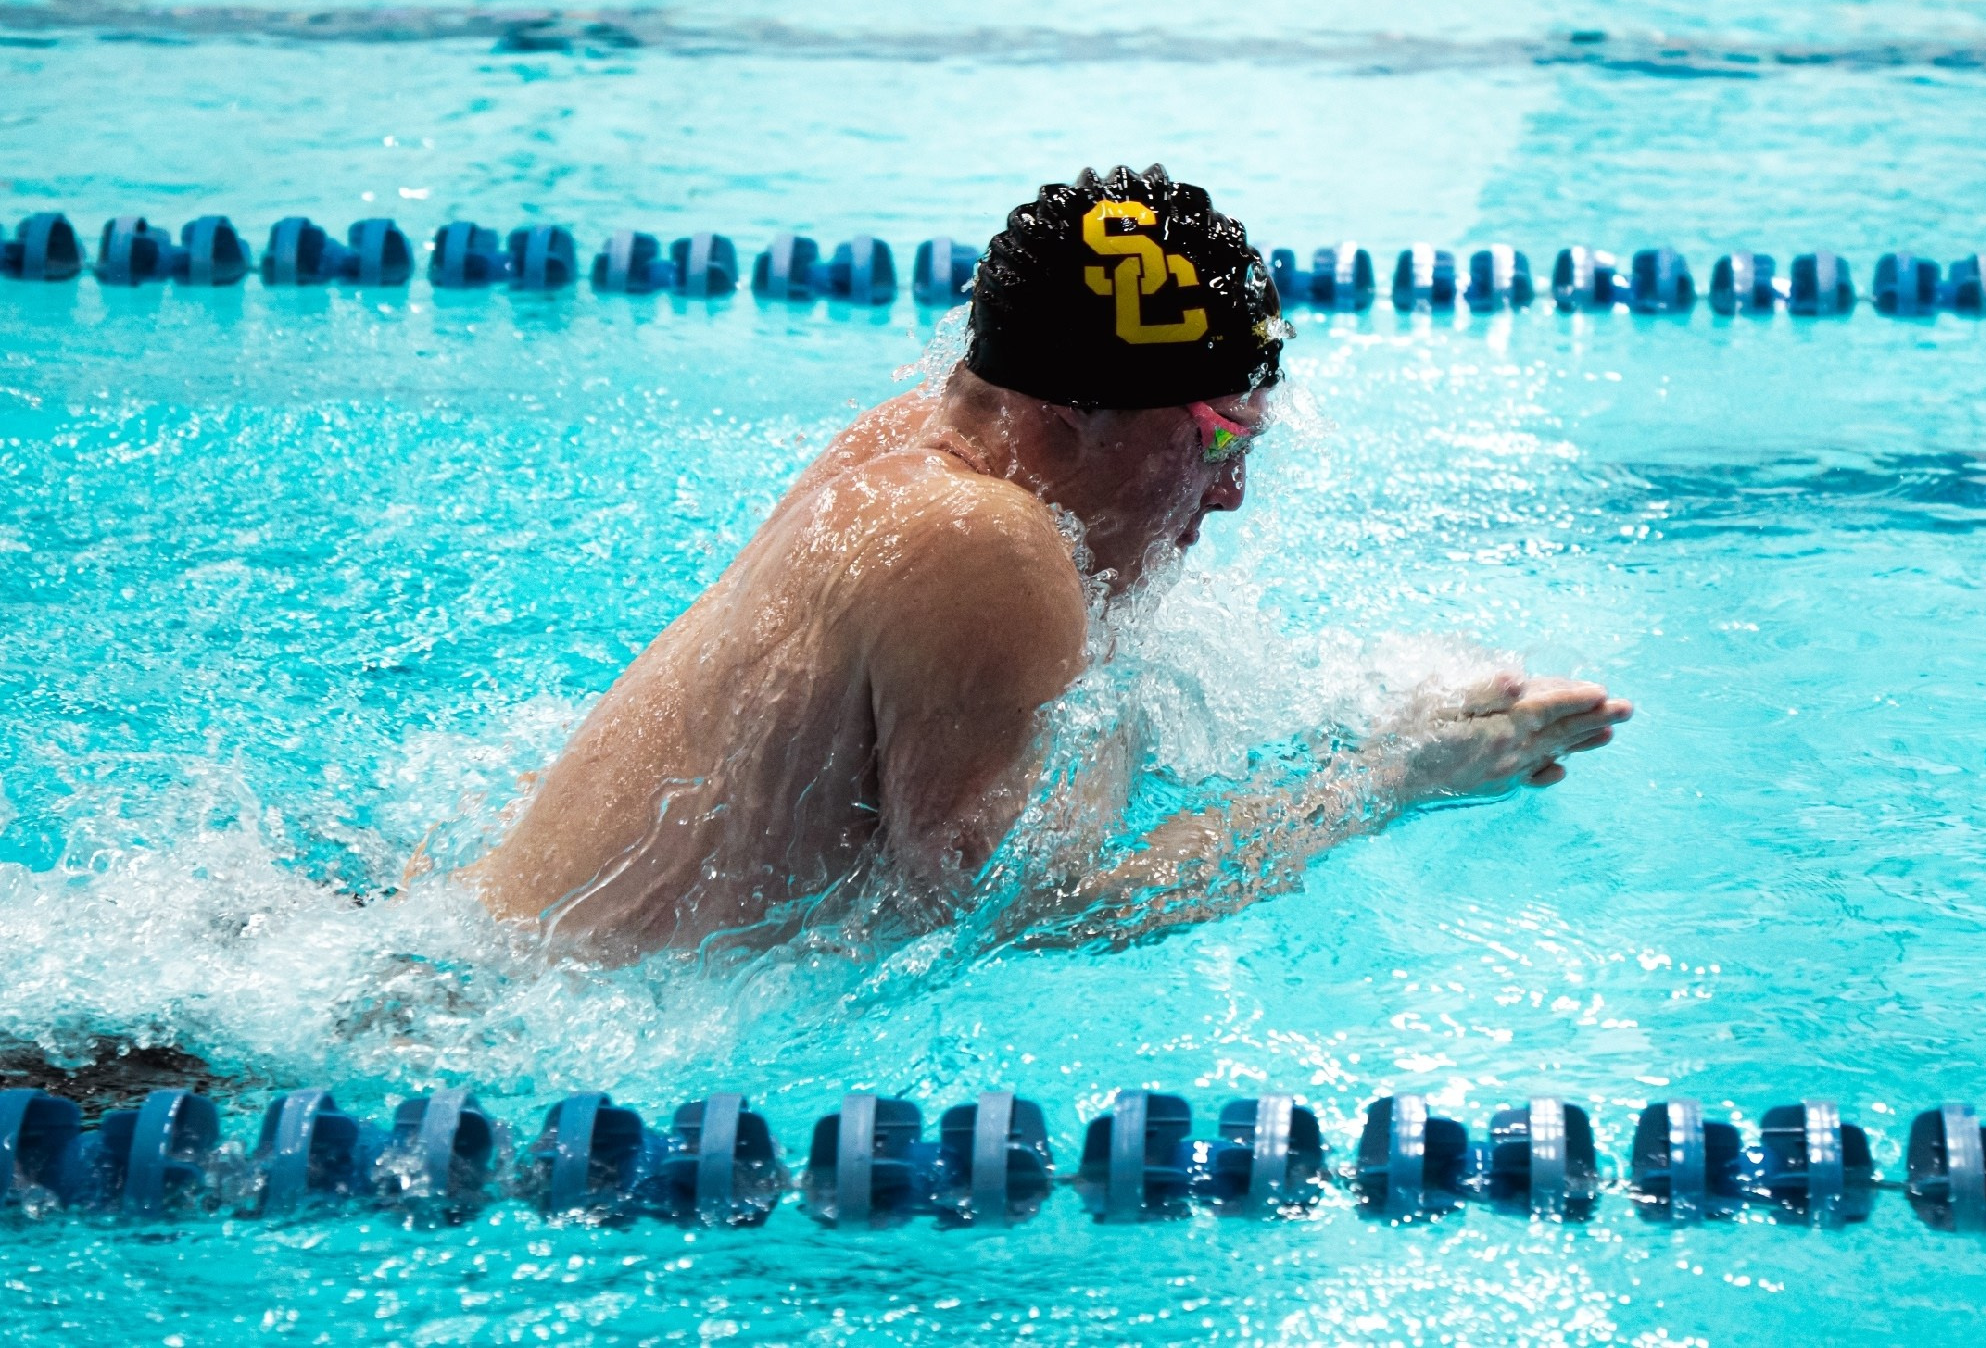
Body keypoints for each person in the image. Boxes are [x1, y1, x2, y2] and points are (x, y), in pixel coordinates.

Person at [465, 166, 1633, 960]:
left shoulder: (920, 445)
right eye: (1216, 436)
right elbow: (1018, 915)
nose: (1228, 489)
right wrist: (1382, 781)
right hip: (539, 1043)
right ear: (1071, 414)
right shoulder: (979, 544)